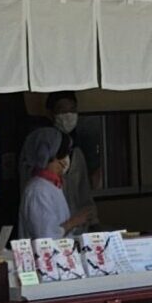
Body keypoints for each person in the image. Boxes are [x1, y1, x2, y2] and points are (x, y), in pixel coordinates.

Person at [17, 126, 94, 240]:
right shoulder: (38, 190)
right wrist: (74, 221)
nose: (64, 161)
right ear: (46, 156)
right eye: (61, 155)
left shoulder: (53, 185)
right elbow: (47, 236)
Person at [42, 91, 98, 226]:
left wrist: (93, 221)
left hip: (78, 227)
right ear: (51, 113)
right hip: (52, 227)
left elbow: (84, 192)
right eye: (62, 110)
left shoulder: (77, 153)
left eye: (72, 110)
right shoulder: (41, 151)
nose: (68, 115)